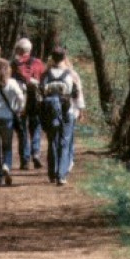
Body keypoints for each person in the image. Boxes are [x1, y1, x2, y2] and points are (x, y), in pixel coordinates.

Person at [38, 48, 85, 186]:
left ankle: (52, 173)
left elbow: (40, 94)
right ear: (65, 58)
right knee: (64, 143)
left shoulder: (45, 74)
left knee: (52, 142)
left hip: (51, 113)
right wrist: (80, 110)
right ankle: (61, 175)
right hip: (67, 112)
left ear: (52, 58)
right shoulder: (72, 74)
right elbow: (77, 93)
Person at [9, 37, 48, 171]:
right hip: (36, 100)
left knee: (22, 130)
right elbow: (44, 81)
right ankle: (36, 153)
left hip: (21, 100)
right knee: (35, 126)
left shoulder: (14, 64)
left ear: (19, 50)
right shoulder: (38, 63)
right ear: (29, 50)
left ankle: (25, 160)